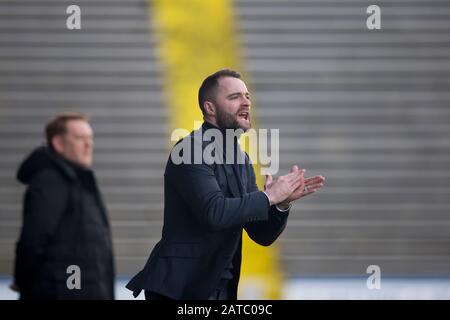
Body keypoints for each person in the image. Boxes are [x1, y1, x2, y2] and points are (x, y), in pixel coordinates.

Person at [126, 69, 325, 300]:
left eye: (247, 96)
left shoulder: (241, 159)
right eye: (234, 97)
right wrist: (268, 197)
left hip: (220, 290)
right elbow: (215, 212)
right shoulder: (189, 150)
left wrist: (281, 204)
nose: (246, 103)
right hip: (180, 289)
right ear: (210, 108)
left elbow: (261, 234)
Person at [11, 112, 115, 300]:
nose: (88, 144)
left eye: (90, 138)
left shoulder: (78, 179)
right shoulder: (50, 180)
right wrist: (23, 279)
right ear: (59, 143)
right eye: (79, 138)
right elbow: (34, 238)